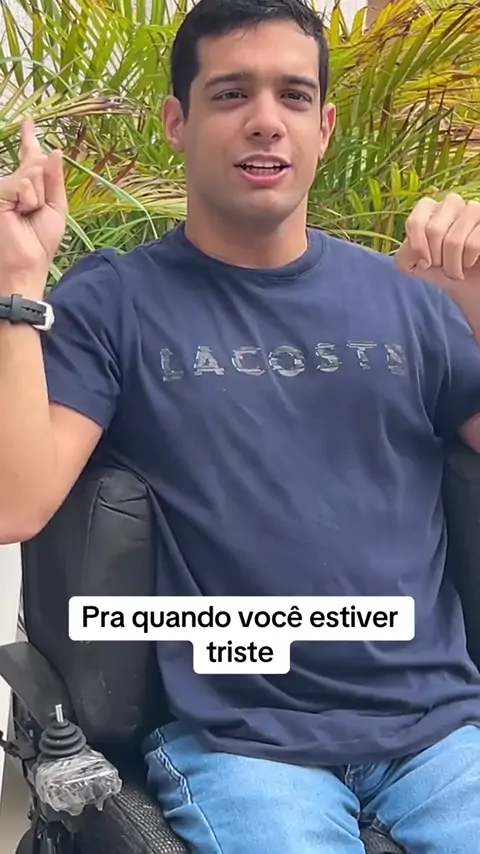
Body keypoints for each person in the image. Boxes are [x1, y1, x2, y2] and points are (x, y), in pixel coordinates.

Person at [1, 0, 480, 850]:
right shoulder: (117, 302)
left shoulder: (412, 302)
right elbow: (15, 503)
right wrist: (17, 285)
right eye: (230, 94)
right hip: (243, 742)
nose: (266, 120)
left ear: (325, 128)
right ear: (177, 123)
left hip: (441, 730)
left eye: (294, 95)